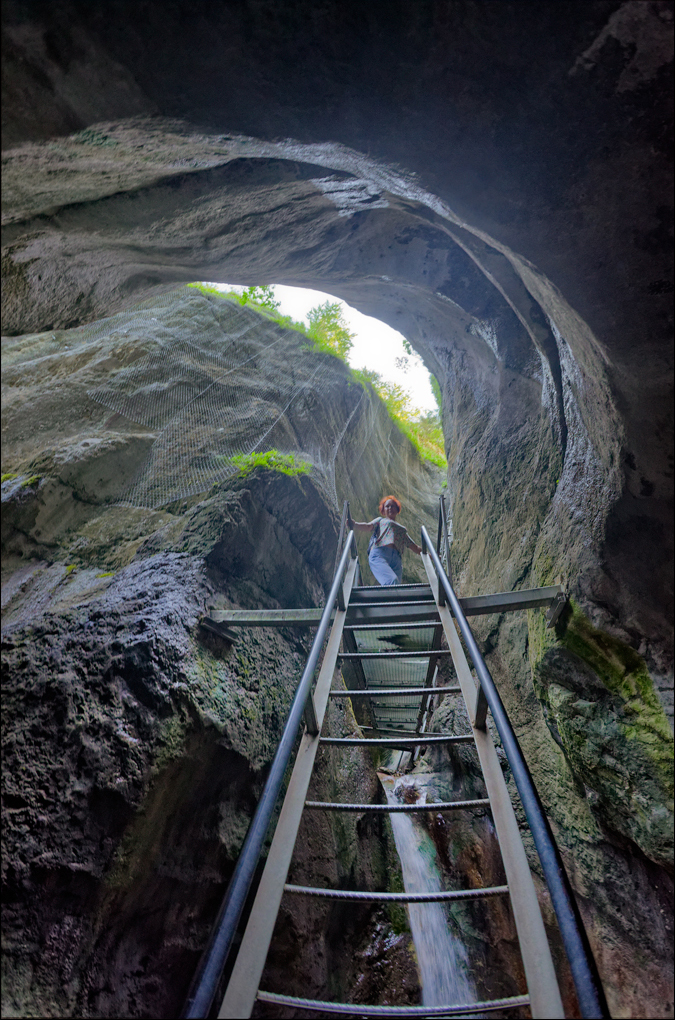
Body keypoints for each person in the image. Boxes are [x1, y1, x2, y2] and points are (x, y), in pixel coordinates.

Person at [351, 496, 422, 585]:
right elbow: (368, 527)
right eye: (387, 506)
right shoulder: (381, 521)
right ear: (383, 510)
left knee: (397, 588)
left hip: (396, 559)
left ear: (397, 509)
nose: (390, 508)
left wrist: (432, 557)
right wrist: (354, 524)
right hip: (380, 554)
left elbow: (415, 548)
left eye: (393, 506)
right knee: (392, 581)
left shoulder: (402, 530)